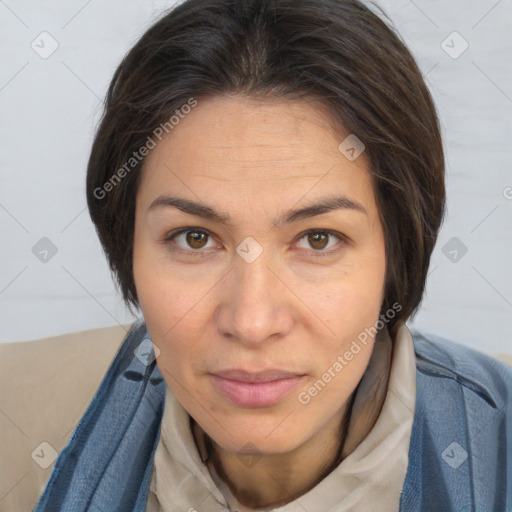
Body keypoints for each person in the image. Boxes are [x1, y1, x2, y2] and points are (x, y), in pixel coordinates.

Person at [1, 0, 511, 511]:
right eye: (194, 239)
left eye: (318, 239)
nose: (251, 321)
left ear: (396, 256)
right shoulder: (26, 434)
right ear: (126, 244)